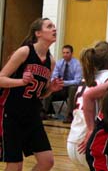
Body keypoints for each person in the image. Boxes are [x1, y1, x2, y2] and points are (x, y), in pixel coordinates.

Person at [0, 18, 63, 171]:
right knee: (15, 165)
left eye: (54, 26)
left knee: (47, 161)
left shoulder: (51, 61)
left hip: (32, 115)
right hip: (11, 113)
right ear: (38, 33)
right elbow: (1, 79)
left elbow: (40, 94)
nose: (54, 29)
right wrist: (21, 82)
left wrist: (50, 90)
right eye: (49, 26)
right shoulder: (25, 52)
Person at [67, 41, 108, 168]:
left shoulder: (87, 77)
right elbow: (89, 97)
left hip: (73, 139)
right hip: (89, 140)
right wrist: (91, 128)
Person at [43, 44, 82, 123]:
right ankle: (43, 111)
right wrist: (56, 82)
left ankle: (69, 115)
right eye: (63, 53)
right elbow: (54, 76)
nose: (65, 55)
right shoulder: (59, 63)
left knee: (73, 88)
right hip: (60, 87)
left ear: (71, 53)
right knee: (49, 85)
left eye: (67, 53)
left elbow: (77, 80)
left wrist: (63, 83)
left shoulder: (77, 64)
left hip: (71, 88)